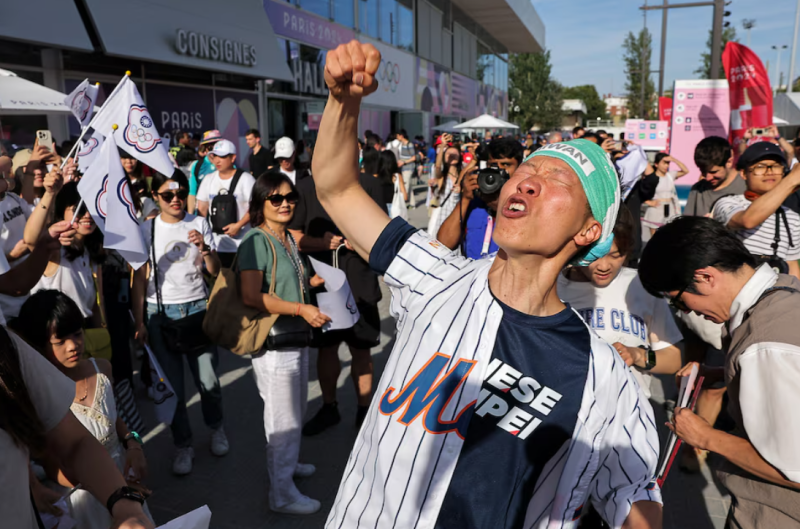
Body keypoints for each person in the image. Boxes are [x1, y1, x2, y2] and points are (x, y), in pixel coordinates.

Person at [316, 41, 661, 528]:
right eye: (529, 169)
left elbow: (633, 492)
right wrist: (343, 101)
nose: (527, 181)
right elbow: (336, 187)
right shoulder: (432, 274)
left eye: (557, 179)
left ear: (588, 232)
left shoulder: (601, 374)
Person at [639, 216, 800, 528]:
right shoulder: (783, 290)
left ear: (705, 277)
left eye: (678, 302)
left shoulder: (764, 345)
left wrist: (705, 436)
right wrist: (723, 373)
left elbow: (794, 469)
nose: (688, 312)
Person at [17, 291, 154, 528]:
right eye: (60, 341)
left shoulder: (102, 368)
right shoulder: (38, 395)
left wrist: (133, 443)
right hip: (80, 500)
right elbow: (52, 468)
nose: (73, 346)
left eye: (77, 334)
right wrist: (115, 489)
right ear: (37, 346)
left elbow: (111, 415)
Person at [237, 172, 329, 515]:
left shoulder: (287, 238)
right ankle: (282, 494)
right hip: (276, 341)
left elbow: (297, 279)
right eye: (276, 199)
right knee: (282, 419)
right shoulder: (255, 241)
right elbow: (250, 295)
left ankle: (288, 467)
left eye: (290, 197)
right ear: (261, 204)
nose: (286, 203)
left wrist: (320, 281)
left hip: (296, 335)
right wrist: (300, 307)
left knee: (296, 408)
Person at [133, 169, 227, 476]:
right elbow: (139, 277)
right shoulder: (147, 230)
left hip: (198, 309)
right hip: (160, 315)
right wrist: (140, 321)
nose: (175, 200)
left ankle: (216, 428)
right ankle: (182, 445)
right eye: (167, 195)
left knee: (209, 381)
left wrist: (204, 247)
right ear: (155, 197)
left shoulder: (198, 222)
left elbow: (214, 270)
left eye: (179, 193)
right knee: (173, 387)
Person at [288, 164, 386, 436]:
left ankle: (365, 411)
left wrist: (363, 242)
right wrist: (322, 243)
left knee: (362, 348)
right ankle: (329, 406)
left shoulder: (369, 184)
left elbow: (383, 232)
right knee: (327, 348)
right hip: (322, 282)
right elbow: (293, 236)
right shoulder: (306, 187)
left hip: (361, 283)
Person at [558, 206, 684, 398]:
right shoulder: (554, 288)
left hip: (631, 411)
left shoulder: (641, 285)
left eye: (616, 256)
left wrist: (637, 355)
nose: (604, 266)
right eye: (594, 257)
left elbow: (673, 359)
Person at [712, 142, 800, 279]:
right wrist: (790, 181)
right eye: (760, 167)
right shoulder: (727, 203)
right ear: (743, 174)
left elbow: (792, 265)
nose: (769, 171)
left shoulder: (792, 217)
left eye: (776, 166)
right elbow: (747, 220)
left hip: (774, 295)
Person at [28, 182, 105, 325]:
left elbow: (96, 304)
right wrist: (49, 194)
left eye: (94, 209)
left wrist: (101, 329)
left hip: (84, 330)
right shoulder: (56, 249)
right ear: (62, 210)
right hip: (56, 330)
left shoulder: (90, 251)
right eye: (79, 209)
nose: (87, 215)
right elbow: (30, 240)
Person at [436, 138, 523, 258]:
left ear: (519, 167)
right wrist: (465, 199)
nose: (498, 171)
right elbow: (443, 244)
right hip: (472, 273)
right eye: (493, 165)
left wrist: (495, 203)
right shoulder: (475, 201)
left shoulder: (525, 203)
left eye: (506, 165)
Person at [196, 139, 256, 268]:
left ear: (233, 158)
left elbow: (256, 207)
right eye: (215, 156)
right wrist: (203, 239)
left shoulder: (246, 179)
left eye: (222, 156)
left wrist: (239, 225)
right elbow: (202, 209)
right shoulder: (208, 180)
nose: (217, 160)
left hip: (242, 245)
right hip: (216, 246)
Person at [685, 136, 747, 217]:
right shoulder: (697, 190)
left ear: (729, 162)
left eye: (713, 172)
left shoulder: (747, 186)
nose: (707, 178)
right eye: (703, 172)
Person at [641, 153, 689, 236]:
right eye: (664, 163)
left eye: (668, 163)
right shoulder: (652, 178)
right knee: (654, 237)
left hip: (670, 208)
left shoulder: (670, 175)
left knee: (669, 235)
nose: (666, 165)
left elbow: (686, 171)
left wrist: (674, 160)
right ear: (656, 164)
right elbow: (641, 191)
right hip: (656, 208)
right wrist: (649, 202)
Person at [427, 139, 462, 239]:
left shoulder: (462, 175)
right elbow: (437, 167)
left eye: (455, 153)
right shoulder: (442, 176)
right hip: (442, 216)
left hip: (456, 216)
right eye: (448, 154)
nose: (452, 155)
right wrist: (442, 146)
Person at [187, 129, 222, 214]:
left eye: (217, 146)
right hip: (202, 214)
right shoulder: (196, 166)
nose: (214, 150)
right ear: (205, 149)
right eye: (210, 147)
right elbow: (192, 193)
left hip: (223, 213)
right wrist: (191, 218)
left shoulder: (229, 165)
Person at [119, 151, 158, 221]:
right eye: (124, 158)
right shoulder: (111, 182)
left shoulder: (149, 182)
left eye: (132, 158)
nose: (128, 161)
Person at [376, 149, 406, 217]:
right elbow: (405, 197)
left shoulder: (376, 177)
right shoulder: (397, 176)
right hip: (395, 208)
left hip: (380, 208)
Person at [396, 129, 420, 208]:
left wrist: (404, 162)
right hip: (402, 168)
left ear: (401, 136)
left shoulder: (409, 145)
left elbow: (414, 157)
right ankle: (412, 204)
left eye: (397, 135)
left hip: (408, 168)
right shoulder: (400, 145)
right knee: (408, 185)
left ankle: (404, 204)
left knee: (405, 185)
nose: (397, 137)